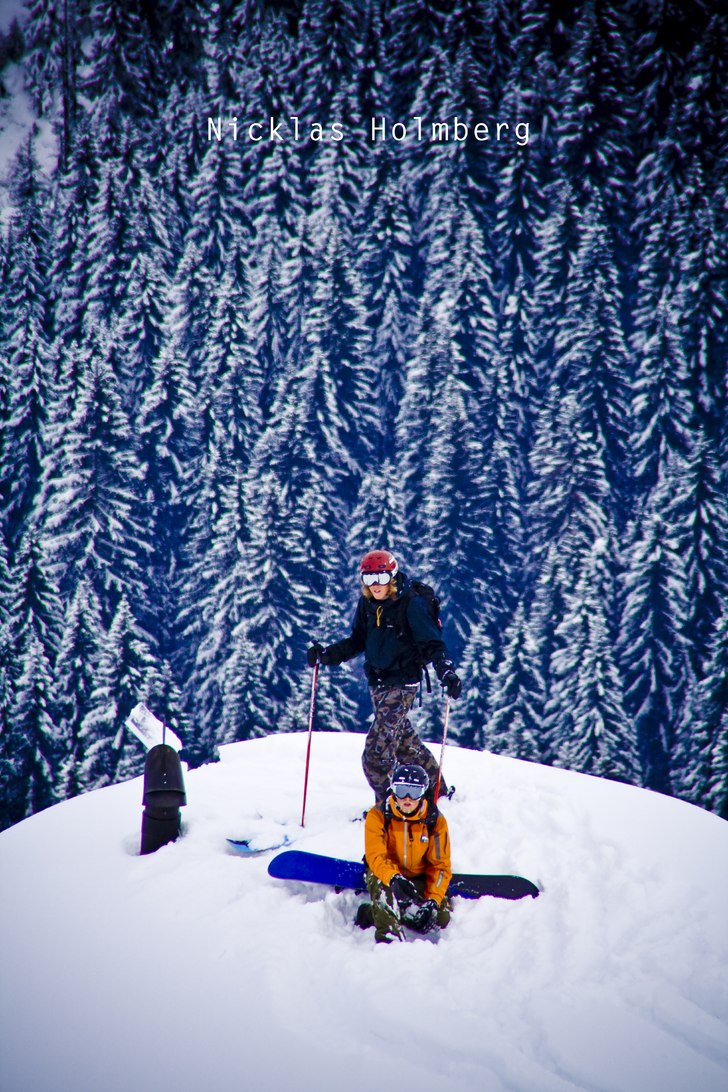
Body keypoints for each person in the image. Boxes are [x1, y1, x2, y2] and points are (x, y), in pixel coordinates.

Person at [307, 549, 462, 801]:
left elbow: (432, 643)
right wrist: (326, 655)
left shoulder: (411, 604)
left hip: (402, 684)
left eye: (380, 578)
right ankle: (438, 793)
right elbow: (358, 640)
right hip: (378, 683)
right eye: (368, 579)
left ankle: (388, 807)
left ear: (392, 576)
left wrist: (447, 672)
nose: (375, 585)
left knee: (376, 755)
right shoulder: (367, 604)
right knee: (405, 744)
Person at [357, 763, 453, 943]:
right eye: (401, 791)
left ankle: (371, 913)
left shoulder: (435, 820)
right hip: (384, 873)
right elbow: (375, 855)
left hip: (418, 876)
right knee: (386, 896)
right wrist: (393, 878)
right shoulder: (378, 815)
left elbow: (440, 865)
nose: (407, 798)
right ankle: (389, 941)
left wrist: (433, 901)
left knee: (439, 918)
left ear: (423, 793)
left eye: (414, 792)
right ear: (393, 790)